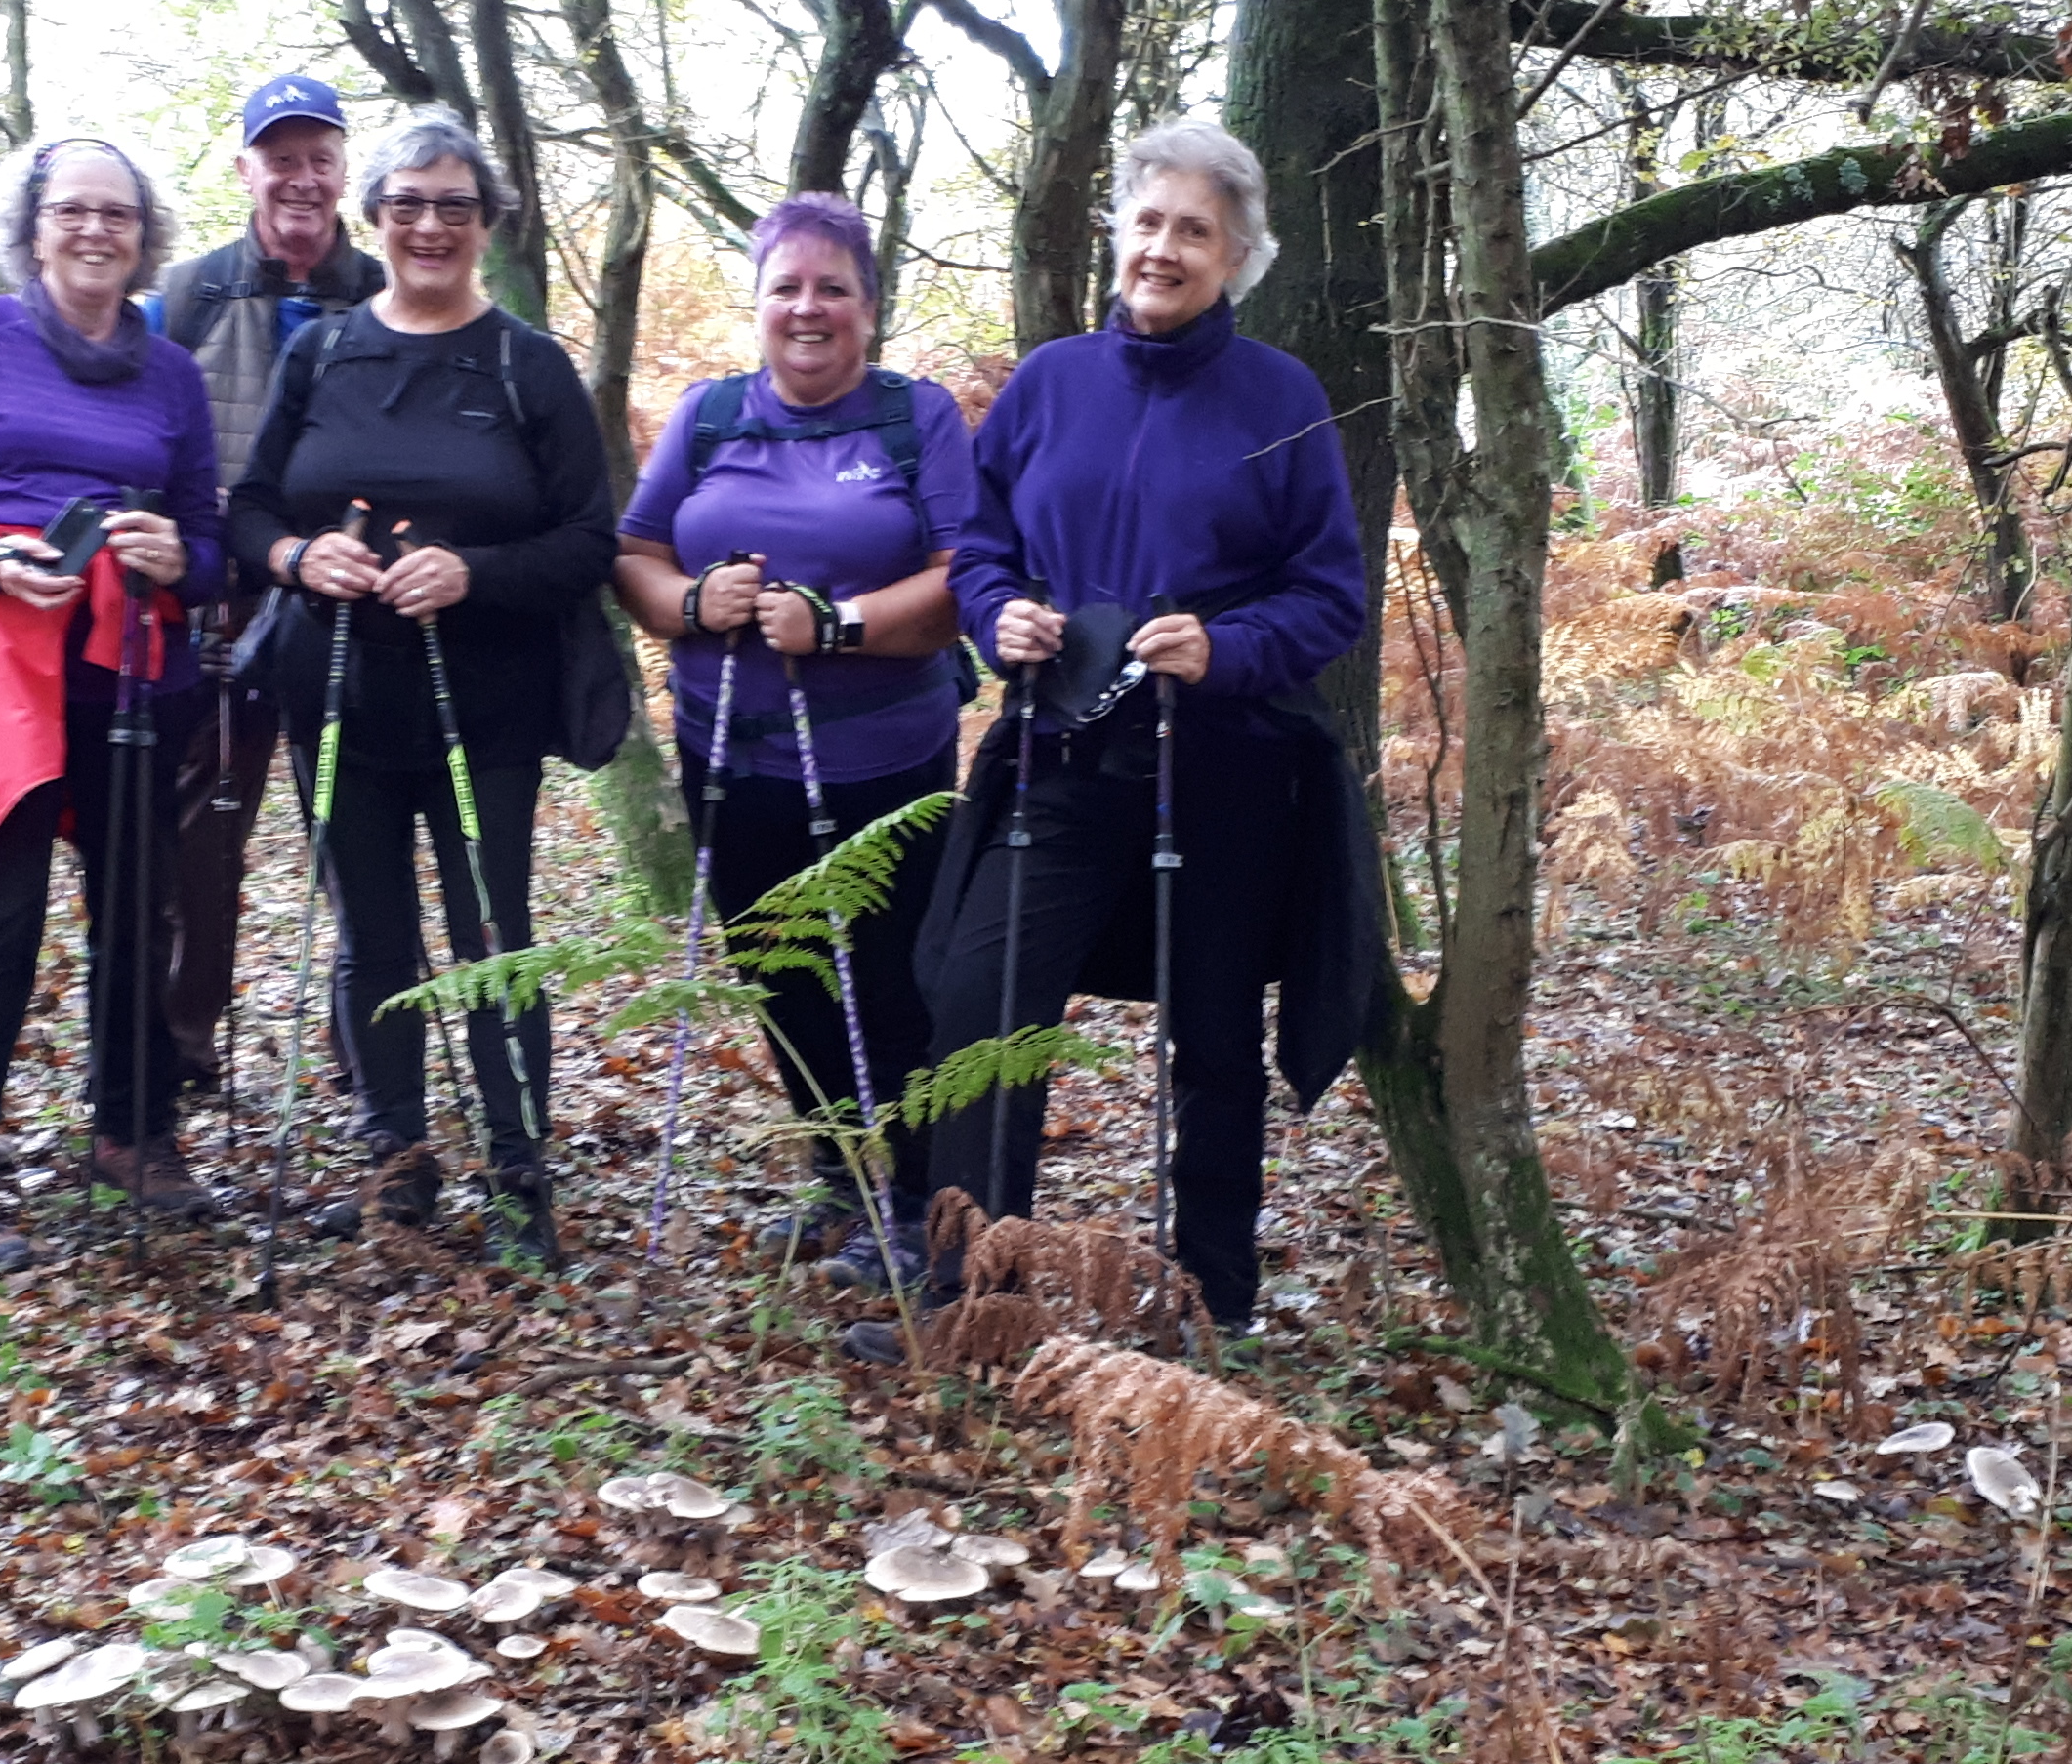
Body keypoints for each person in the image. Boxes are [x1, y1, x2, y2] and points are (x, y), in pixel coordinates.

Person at [908, 121, 1376, 1335]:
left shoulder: (1281, 400)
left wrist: (1230, 650)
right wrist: (996, 613)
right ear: (1119, 230)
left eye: (1196, 232)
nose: (1164, 249)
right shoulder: (1052, 380)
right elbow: (981, 542)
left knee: (1215, 1038)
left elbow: (1331, 595)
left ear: (1238, 257)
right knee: (980, 1006)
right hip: (1062, 754)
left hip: (1222, 767)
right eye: (1151, 222)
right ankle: (972, 1291)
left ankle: (1209, 1304)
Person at [229, 113, 615, 1268]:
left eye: (455, 205)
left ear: (487, 222)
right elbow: (249, 510)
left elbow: (591, 539)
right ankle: (395, 1160)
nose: (431, 226)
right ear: (375, 218)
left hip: (484, 704)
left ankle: (518, 1172)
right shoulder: (323, 351)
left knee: (491, 931)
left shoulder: (525, 363)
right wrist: (301, 560)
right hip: (336, 689)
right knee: (371, 938)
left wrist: (475, 571)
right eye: (408, 203)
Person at [0, 136, 226, 1271]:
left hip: (125, 656)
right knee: (3, 906)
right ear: (34, 224)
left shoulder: (170, 372)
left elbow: (208, 544)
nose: (96, 230)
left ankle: (133, 1130)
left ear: (144, 233)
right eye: (73, 210)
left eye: (117, 214)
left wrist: (177, 553)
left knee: (134, 903)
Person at [612, 194, 969, 1283]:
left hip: (888, 763)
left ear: (869, 307)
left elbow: (968, 579)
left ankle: (916, 1203)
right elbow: (635, 549)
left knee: (891, 979)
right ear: (757, 302)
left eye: (833, 289)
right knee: (780, 974)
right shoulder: (710, 416)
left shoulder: (919, 419)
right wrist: (689, 604)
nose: (807, 309)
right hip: (732, 758)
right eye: (787, 288)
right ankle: (838, 1179)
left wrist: (841, 625)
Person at [153, 75, 384, 1103]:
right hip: (221, 613)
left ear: (343, 170)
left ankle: (371, 1049)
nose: (300, 177)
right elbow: (142, 438)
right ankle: (183, 1041)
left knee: (357, 836)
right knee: (204, 841)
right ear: (245, 168)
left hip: (353, 612)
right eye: (278, 156)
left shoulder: (386, 291)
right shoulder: (190, 295)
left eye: (319, 156)